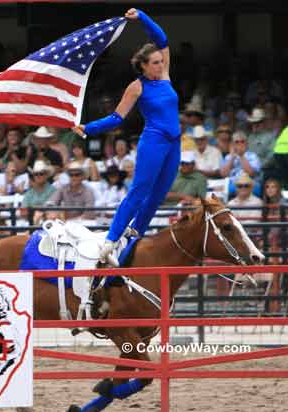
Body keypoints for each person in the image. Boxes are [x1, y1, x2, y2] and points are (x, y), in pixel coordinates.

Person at [73, 8, 180, 264]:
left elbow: (162, 38)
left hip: (174, 143)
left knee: (158, 194)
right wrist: (88, 129)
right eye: (154, 62)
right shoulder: (137, 87)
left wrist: (141, 17)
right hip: (153, 142)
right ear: (143, 66)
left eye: (160, 60)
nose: (160, 63)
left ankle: (134, 236)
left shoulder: (165, 76)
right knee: (139, 192)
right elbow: (116, 118)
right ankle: (111, 239)